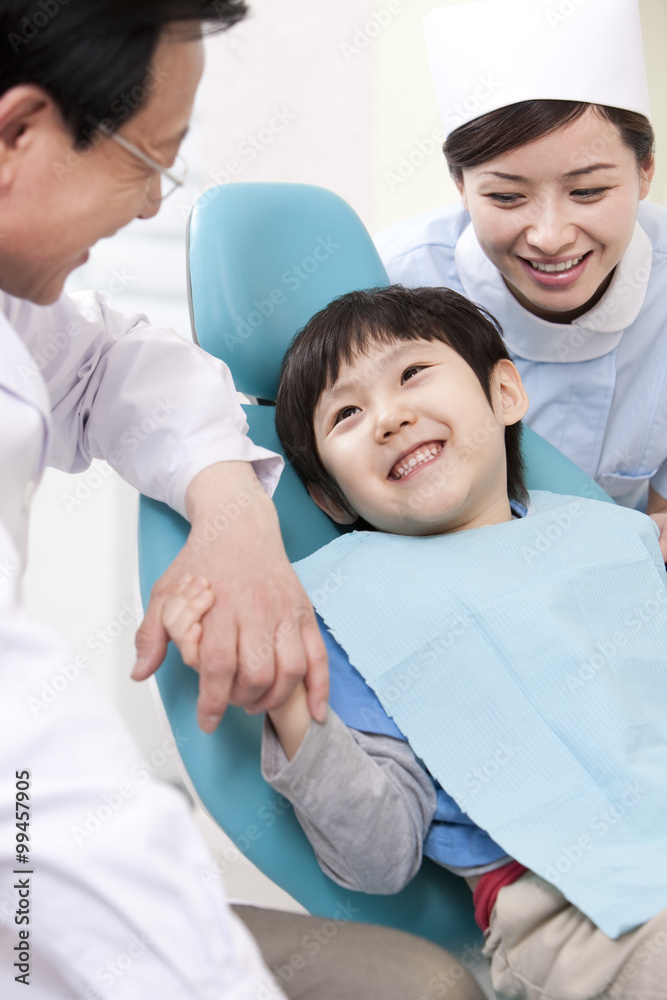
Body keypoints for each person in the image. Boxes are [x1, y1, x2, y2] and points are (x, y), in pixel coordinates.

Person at [0, 3, 481, 997]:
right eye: (151, 160)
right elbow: (47, 801)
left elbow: (116, 368)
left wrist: (233, 515)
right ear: (18, 135)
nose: (148, 208)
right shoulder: (349, 612)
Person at [164, 285, 667, 1000]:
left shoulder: (612, 539)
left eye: (411, 374)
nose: (389, 416)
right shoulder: (341, 608)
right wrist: (288, 703)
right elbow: (378, 859)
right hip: (576, 914)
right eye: (346, 414)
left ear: (504, 393)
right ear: (331, 500)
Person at [374, 0, 667, 555]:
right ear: (460, 186)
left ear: (645, 170)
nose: (551, 236)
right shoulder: (391, 283)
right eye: (507, 197)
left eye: (588, 191)